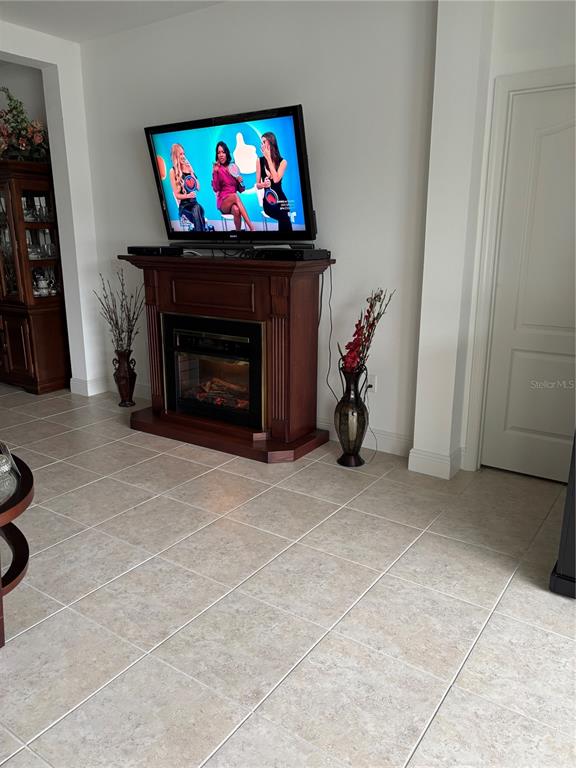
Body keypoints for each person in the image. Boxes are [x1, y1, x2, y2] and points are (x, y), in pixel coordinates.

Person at [211, 141, 255, 232]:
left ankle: (238, 234)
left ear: (226, 153)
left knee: (236, 209)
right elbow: (216, 189)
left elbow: (241, 189)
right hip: (223, 202)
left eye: (223, 152)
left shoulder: (233, 167)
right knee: (235, 196)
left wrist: (240, 181)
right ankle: (252, 228)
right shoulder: (217, 169)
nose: (221, 155)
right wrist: (215, 172)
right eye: (218, 153)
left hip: (234, 201)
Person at [256, 131, 292, 232]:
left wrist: (268, 157)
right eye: (261, 143)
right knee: (284, 218)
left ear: (271, 143)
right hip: (268, 201)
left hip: (282, 200)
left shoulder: (283, 162)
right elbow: (258, 185)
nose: (261, 145)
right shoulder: (259, 161)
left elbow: (276, 180)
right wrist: (263, 184)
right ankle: (288, 242)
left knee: (284, 217)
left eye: (264, 142)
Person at [169, 143, 207, 232]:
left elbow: (198, 187)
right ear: (176, 156)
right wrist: (188, 196)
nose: (183, 156)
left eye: (184, 154)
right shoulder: (173, 171)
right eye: (180, 154)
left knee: (197, 209)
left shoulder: (188, 168)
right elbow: (177, 195)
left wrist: (192, 172)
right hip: (185, 207)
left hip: (195, 204)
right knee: (199, 216)